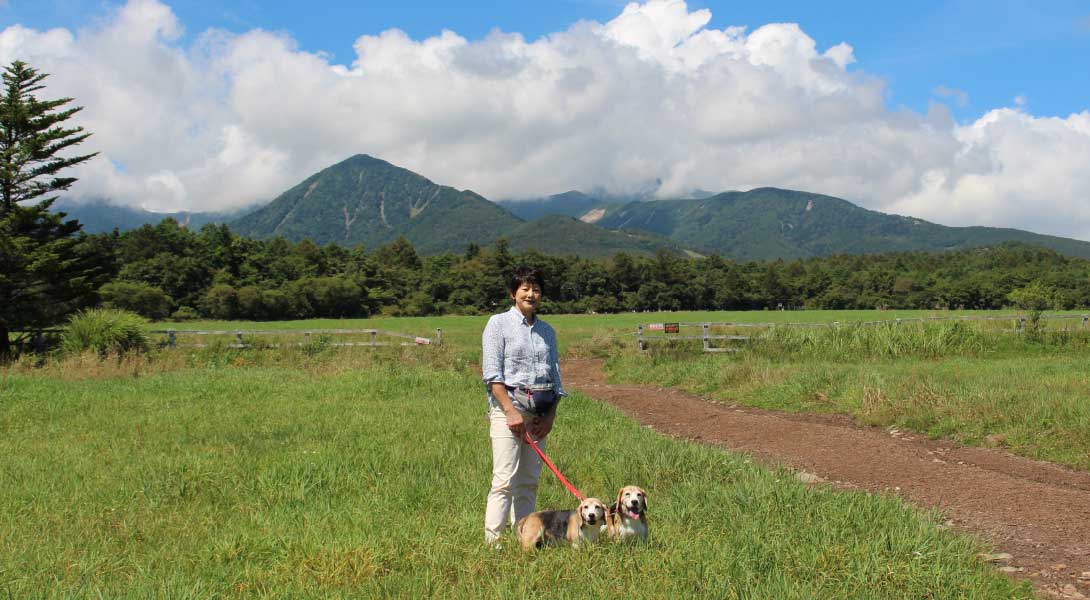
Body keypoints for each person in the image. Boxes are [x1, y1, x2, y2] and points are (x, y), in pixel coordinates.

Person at [481, 265, 565, 545]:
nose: (531, 294)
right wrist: (510, 411)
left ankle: (527, 539)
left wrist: (550, 415)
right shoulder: (498, 324)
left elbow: (555, 377)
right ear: (513, 292)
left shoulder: (547, 331)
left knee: (528, 481)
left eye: (536, 289)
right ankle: (493, 542)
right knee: (504, 479)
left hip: (538, 415)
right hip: (508, 412)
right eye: (525, 288)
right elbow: (492, 374)